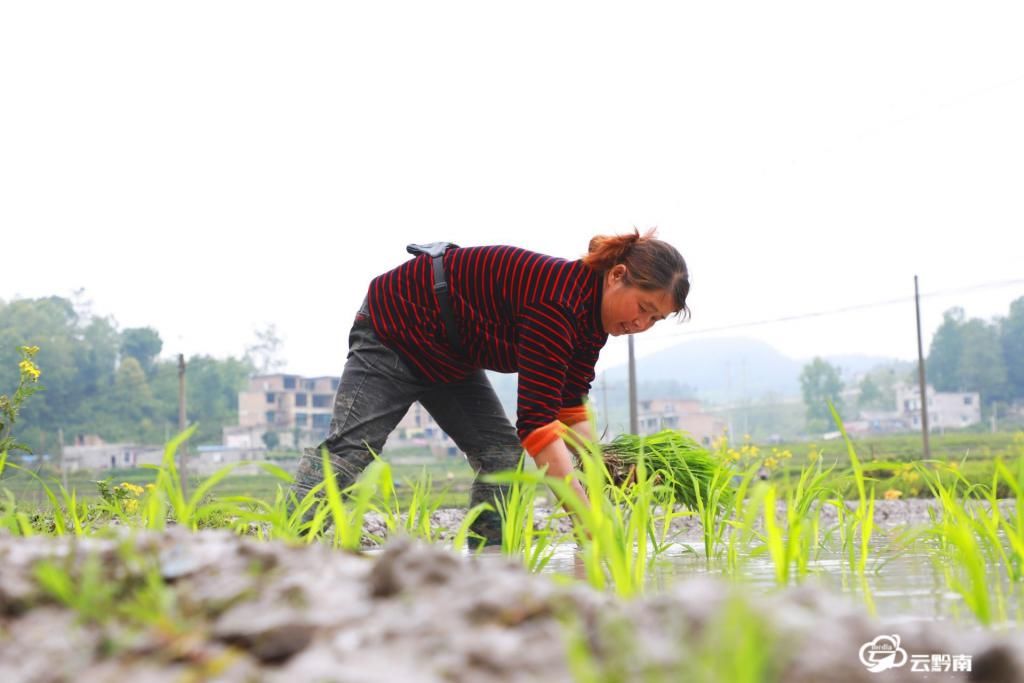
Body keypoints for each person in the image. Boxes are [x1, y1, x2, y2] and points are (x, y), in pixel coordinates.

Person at [291, 228, 690, 545]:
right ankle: (281, 544)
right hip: (397, 329)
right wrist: (588, 523)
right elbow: (537, 425)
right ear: (617, 276)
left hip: (450, 354)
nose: (641, 325)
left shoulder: (591, 324)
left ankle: (490, 559)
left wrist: (600, 468)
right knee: (352, 449)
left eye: (654, 320)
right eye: (643, 309)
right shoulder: (557, 305)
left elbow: (569, 406)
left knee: (501, 455)